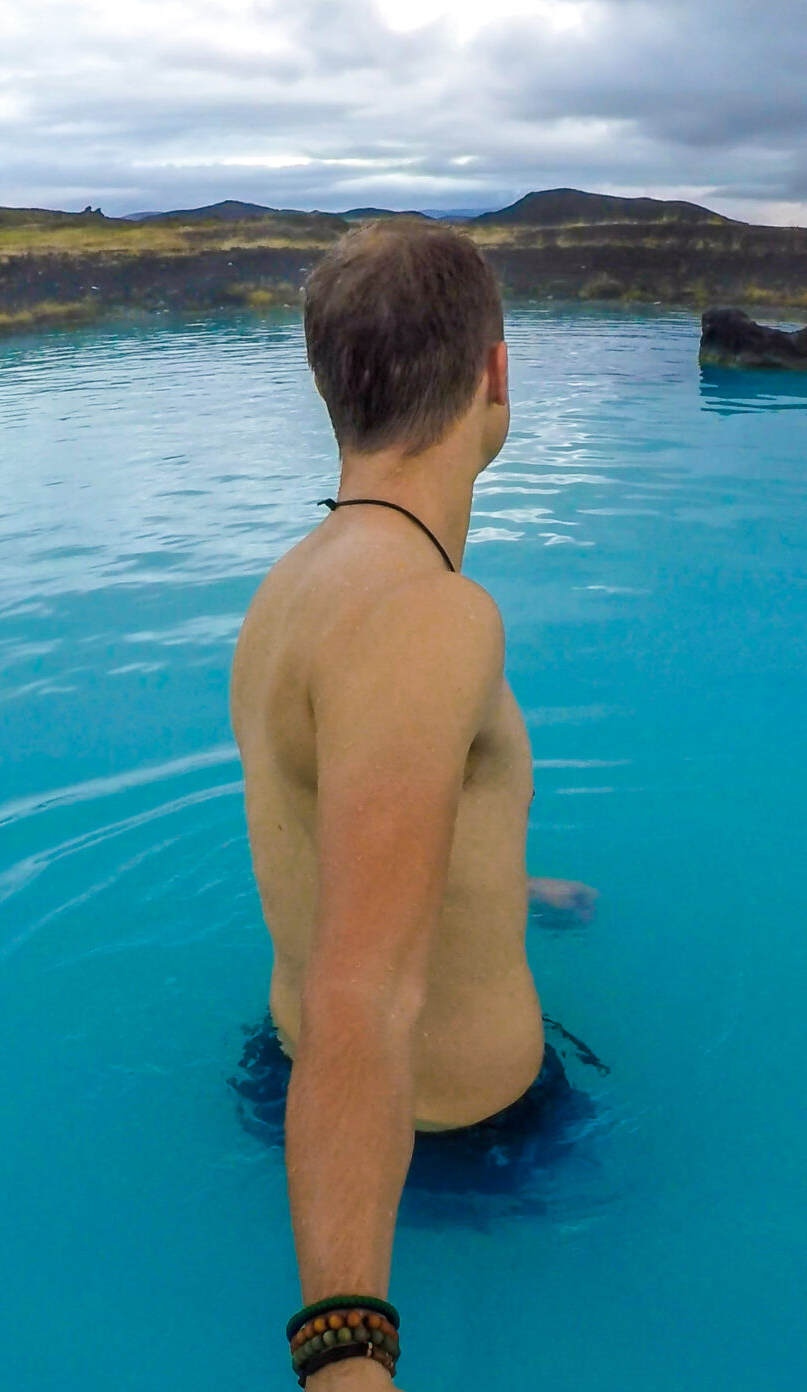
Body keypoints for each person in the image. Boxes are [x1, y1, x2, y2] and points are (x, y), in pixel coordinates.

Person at [228, 220, 594, 1390]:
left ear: (328, 384)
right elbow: (365, 992)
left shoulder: (293, 589)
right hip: (450, 1149)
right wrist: (346, 1349)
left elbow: (329, 815)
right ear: (496, 372)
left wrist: (506, 880)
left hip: (287, 1083)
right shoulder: (430, 615)